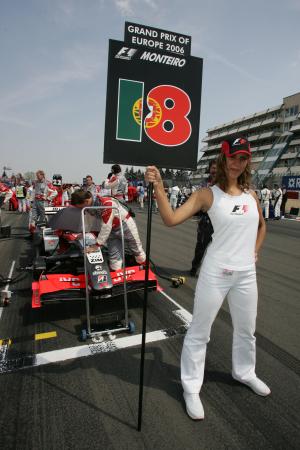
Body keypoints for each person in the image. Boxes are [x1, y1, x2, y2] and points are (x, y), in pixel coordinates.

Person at [145, 136, 270, 421]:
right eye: (233, 157)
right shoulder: (207, 195)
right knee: (200, 332)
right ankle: (191, 387)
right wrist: (159, 187)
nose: (237, 163)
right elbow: (171, 219)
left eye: (243, 158)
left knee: (246, 330)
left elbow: (262, 226)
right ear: (223, 159)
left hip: (246, 275)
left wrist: (255, 252)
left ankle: (244, 372)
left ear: (247, 161)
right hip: (216, 273)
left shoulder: (252, 195)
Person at [77, 191, 146, 270]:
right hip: (112, 231)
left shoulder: (107, 203)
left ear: (86, 201)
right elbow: (88, 222)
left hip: (125, 225)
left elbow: (106, 226)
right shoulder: (89, 207)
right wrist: (82, 233)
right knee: (114, 260)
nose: (80, 209)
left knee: (137, 251)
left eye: (80, 206)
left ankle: (145, 272)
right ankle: (117, 278)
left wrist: (96, 245)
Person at [190, 160, 217, 277]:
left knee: (217, 250)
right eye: (213, 168)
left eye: (217, 168)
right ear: (210, 169)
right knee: (201, 247)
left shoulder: (225, 185)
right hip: (206, 222)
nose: (215, 170)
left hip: (220, 223)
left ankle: (213, 273)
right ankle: (194, 267)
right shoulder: (204, 184)